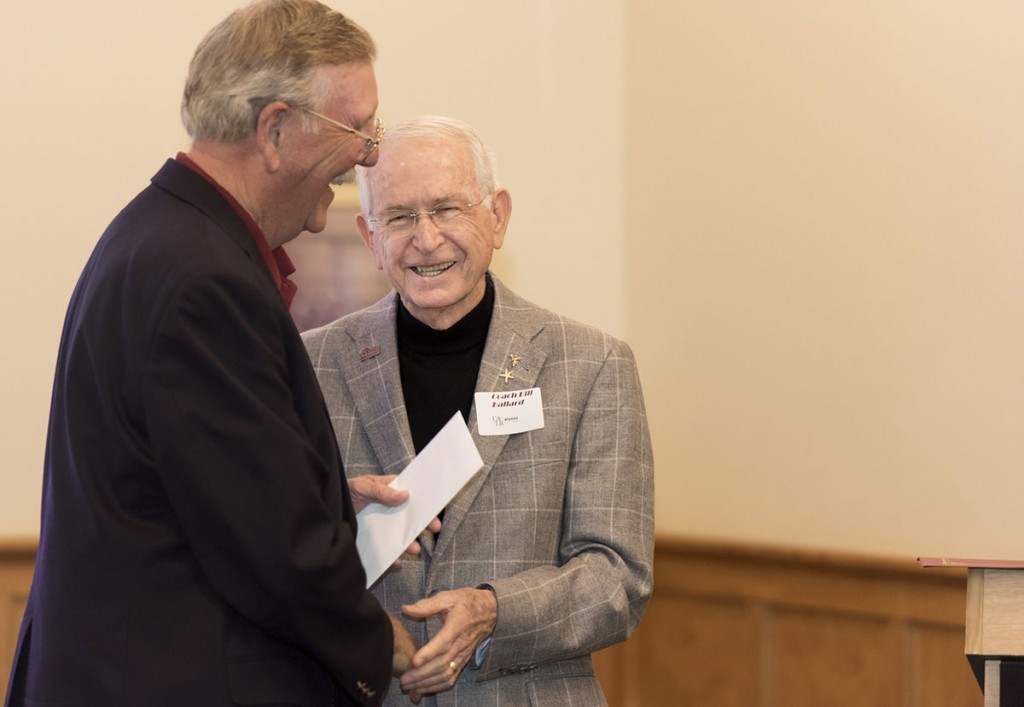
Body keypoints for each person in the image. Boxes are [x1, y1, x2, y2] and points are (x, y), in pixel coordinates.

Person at [4, 2, 424, 705]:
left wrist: (316, 493)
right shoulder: (206, 280)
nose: (370, 155)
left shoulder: (154, 236)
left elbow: (197, 482)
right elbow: (271, 548)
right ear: (275, 131)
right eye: (358, 130)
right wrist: (377, 644)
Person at [302, 116, 655, 705]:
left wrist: (495, 611)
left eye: (447, 209)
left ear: (498, 217)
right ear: (370, 238)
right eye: (400, 217)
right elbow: (275, 553)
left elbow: (619, 576)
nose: (427, 238)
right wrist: (332, 514)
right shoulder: (312, 366)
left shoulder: (592, 365)